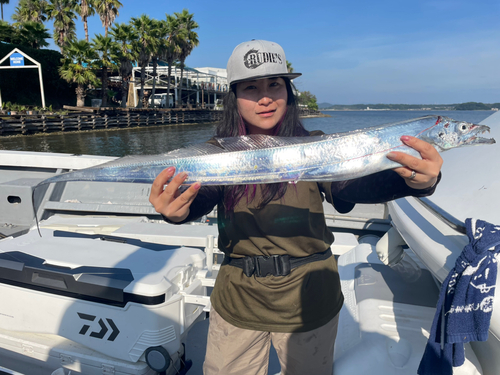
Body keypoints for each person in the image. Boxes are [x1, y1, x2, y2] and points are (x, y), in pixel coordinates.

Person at [149, 40, 443, 375]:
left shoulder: (316, 147)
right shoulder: (220, 154)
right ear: (234, 96)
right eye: (251, 87)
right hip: (239, 298)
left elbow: (351, 183)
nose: (265, 97)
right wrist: (177, 211)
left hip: (309, 298)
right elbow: (201, 194)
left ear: (288, 91)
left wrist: (411, 182)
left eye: (275, 84)